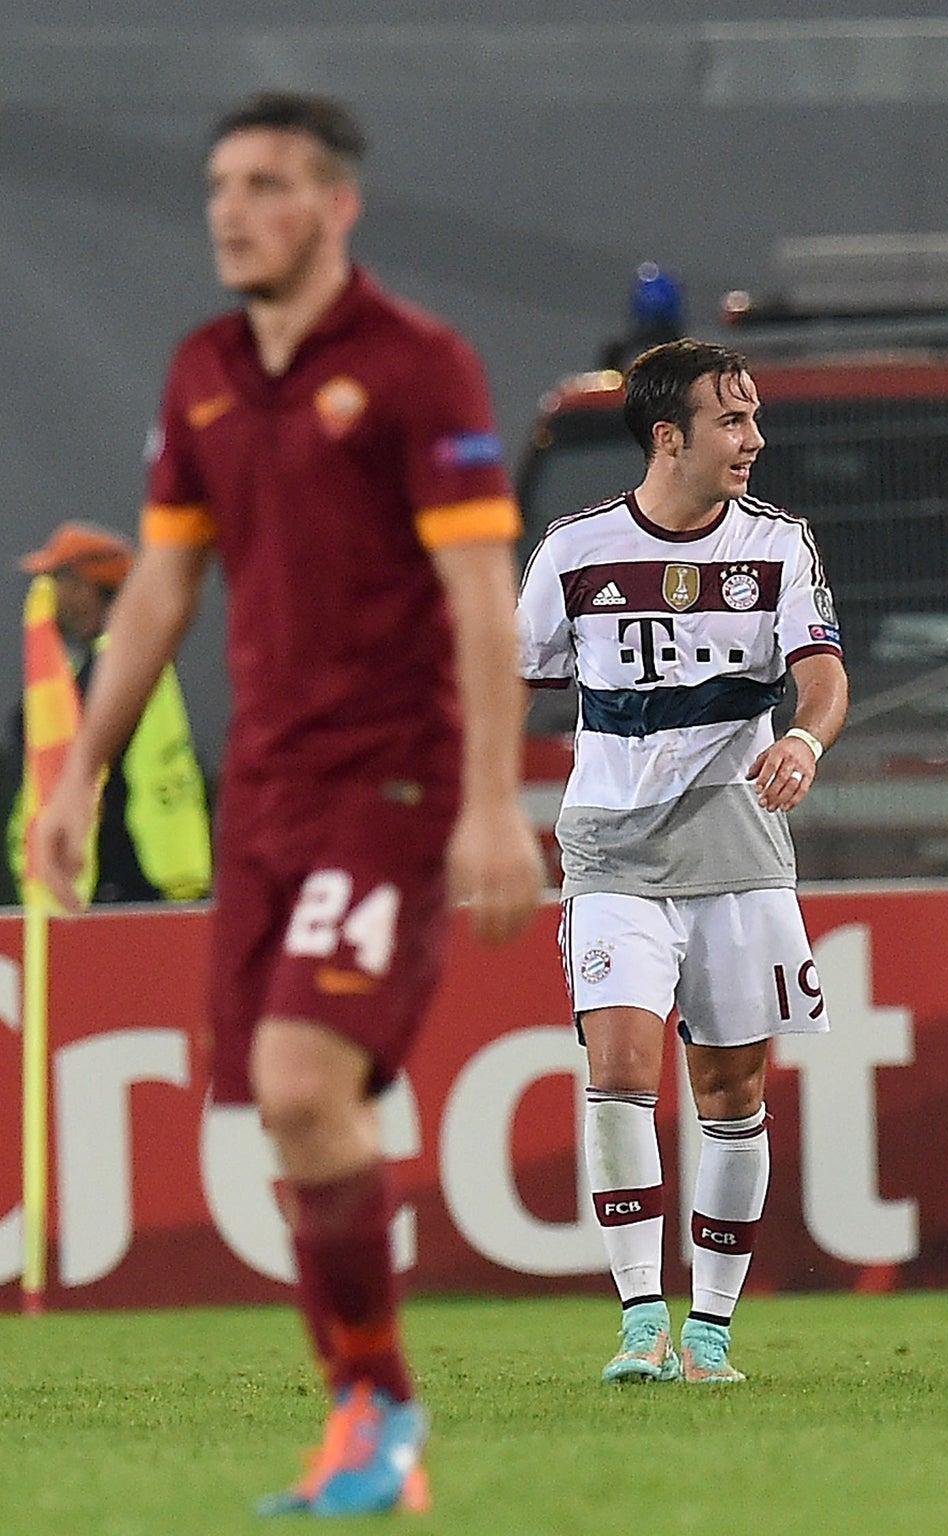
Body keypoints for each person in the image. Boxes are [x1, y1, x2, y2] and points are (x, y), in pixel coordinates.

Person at [30, 93, 543, 1514]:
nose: (229, 210)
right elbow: (161, 589)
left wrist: (489, 802)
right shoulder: (202, 369)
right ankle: (365, 1419)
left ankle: (379, 1419)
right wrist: (74, 779)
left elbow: (477, 594)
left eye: (262, 185)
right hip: (264, 791)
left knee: (308, 1088)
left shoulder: (416, 367)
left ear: (334, 206)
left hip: (389, 780)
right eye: (217, 186)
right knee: (285, 1112)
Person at [517, 339, 849, 1388]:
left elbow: (822, 674)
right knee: (617, 1070)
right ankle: (638, 1321)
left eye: (751, 419)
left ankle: (709, 1330)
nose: (753, 439)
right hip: (611, 849)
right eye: (732, 421)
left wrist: (803, 738)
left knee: (731, 1088)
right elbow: (513, 680)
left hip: (737, 846)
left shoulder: (778, 544)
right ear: (670, 437)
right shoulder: (573, 552)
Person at [3, 522, 211, 905]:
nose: (46, 595)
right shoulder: (122, 666)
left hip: (122, 884)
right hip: (143, 884)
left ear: (85, 586)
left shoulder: (113, 674)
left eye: (55, 581)